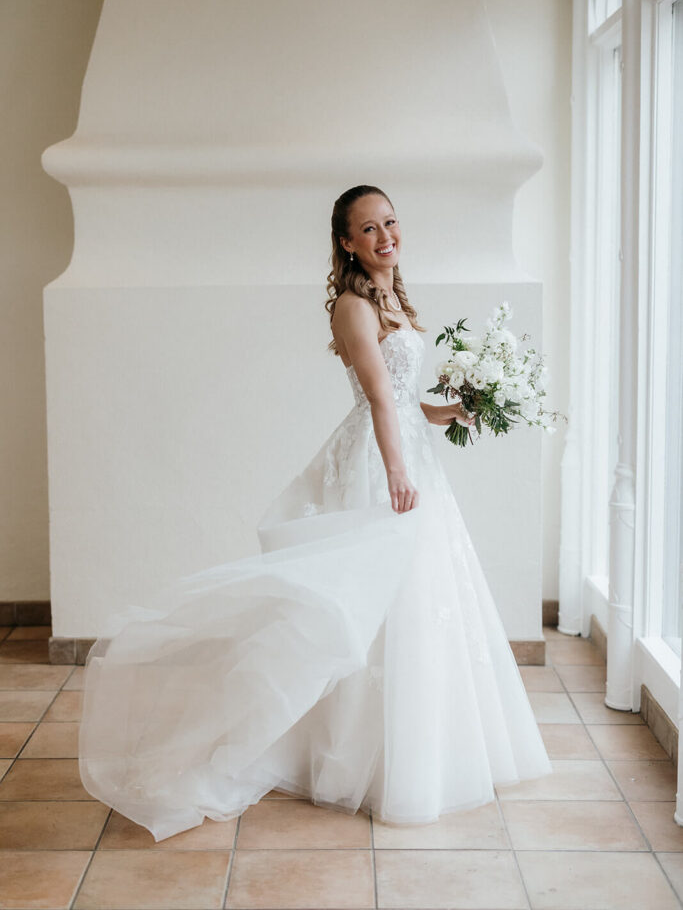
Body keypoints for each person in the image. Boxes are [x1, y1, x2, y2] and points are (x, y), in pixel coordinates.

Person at [78, 184, 553, 843]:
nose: (385, 235)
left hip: (408, 451)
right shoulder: (353, 307)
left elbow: (404, 401)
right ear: (347, 242)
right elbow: (378, 400)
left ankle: (413, 753)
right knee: (367, 603)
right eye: (369, 228)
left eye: (390, 222)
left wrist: (455, 409)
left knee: (416, 600)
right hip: (378, 461)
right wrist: (396, 471)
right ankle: (352, 755)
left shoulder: (393, 299)